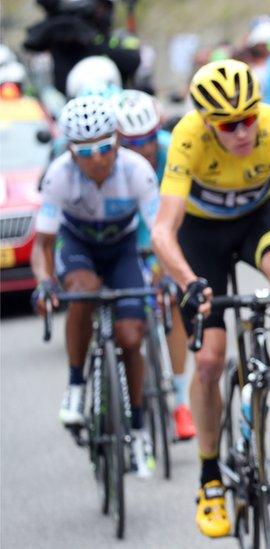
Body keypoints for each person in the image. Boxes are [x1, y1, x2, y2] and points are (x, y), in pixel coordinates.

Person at [149, 59, 270, 539]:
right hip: (202, 236)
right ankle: (210, 477)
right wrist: (186, 279)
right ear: (208, 123)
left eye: (248, 118)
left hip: (258, 219)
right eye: (229, 125)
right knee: (211, 361)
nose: (242, 131)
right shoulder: (189, 137)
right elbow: (163, 230)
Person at [30, 95, 160, 478]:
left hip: (121, 248)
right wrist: (45, 282)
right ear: (70, 150)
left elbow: (161, 235)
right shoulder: (58, 175)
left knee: (131, 337)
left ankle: (138, 429)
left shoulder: (137, 171)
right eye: (86, 152)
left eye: (106, 147)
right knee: (82, 290)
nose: (99, 158)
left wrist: (165, 276)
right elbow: (43, 246)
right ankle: (74, 384)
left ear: (118, 140)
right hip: (78, 244)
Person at [113, 89, 196, 442]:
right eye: (132, 143)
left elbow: (177, 211)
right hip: (124, 233)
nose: (144, 149)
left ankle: (179, 399)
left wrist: (167, 259)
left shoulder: (171, 149)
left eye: (148, 139)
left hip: (165, 229)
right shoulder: (110, 160)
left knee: (177, 303)